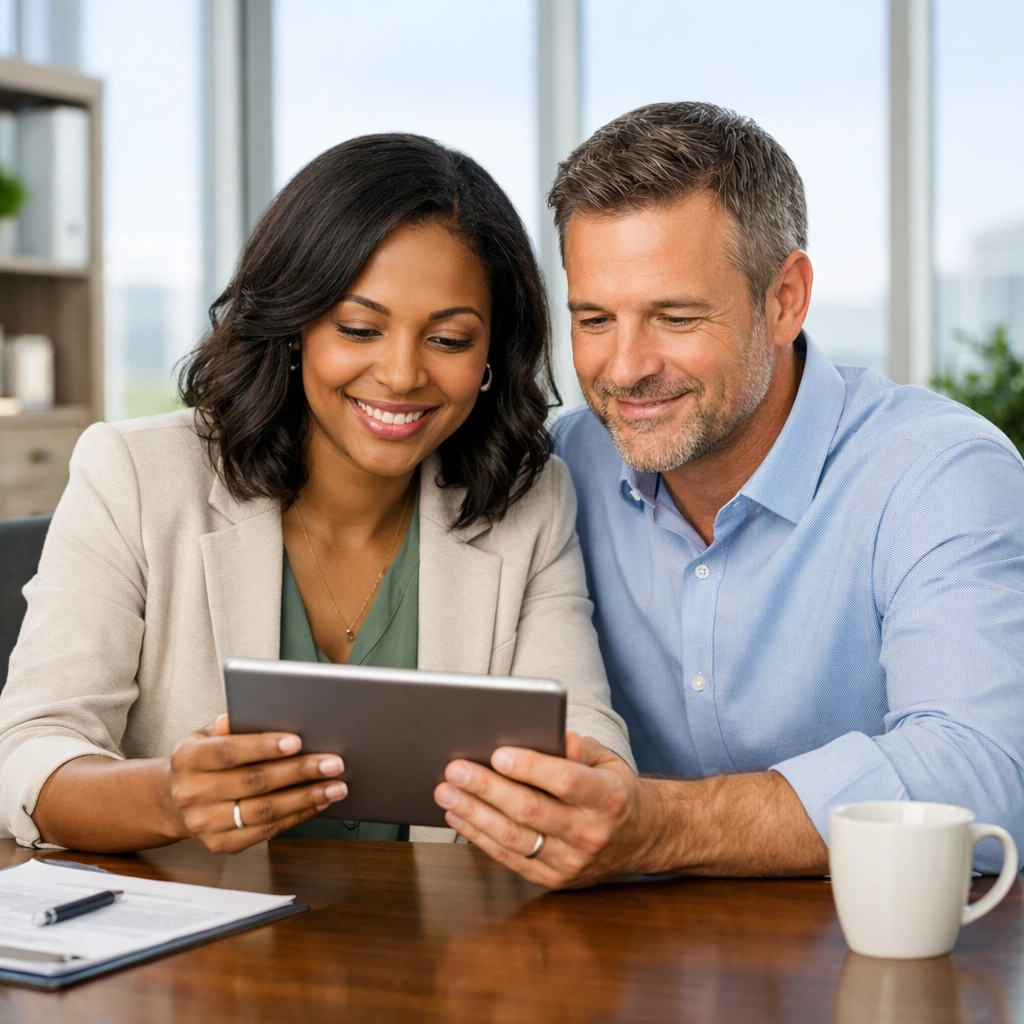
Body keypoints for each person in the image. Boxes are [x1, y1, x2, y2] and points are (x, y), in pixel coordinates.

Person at [433, 102, 1024, 887]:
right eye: (594, 319)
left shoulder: (939, 473)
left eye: (675, 317)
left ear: (785, 299)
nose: (625, 367)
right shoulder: (553, 472)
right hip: (617, 949)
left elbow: (983, 774)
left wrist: (662, 827)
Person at [0, 133, 633, 854]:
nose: (401, 375)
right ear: (295, 323)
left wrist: (591, 796)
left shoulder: (530, 497)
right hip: (195, 920)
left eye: (450, 340)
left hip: (441, 926)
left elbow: (585, 739)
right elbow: (31, 752)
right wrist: (170, 797)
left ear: (493, 352)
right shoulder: (135, 474)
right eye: (359, 328)